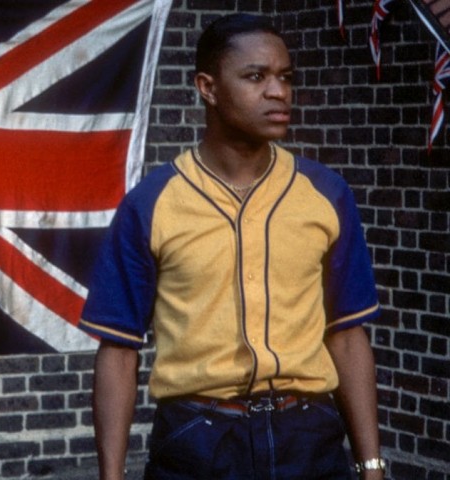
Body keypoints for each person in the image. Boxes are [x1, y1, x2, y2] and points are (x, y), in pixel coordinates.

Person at [79, 13, 385, 480]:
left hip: (309, 437)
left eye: (285, 77)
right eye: (256, 76)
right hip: (197, 439)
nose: (279, 92)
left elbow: (346, 335)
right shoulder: (152, 203)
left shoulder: (325, 193)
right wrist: (111, 476)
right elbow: (119, 351)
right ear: (208, 87)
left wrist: (372, 467)